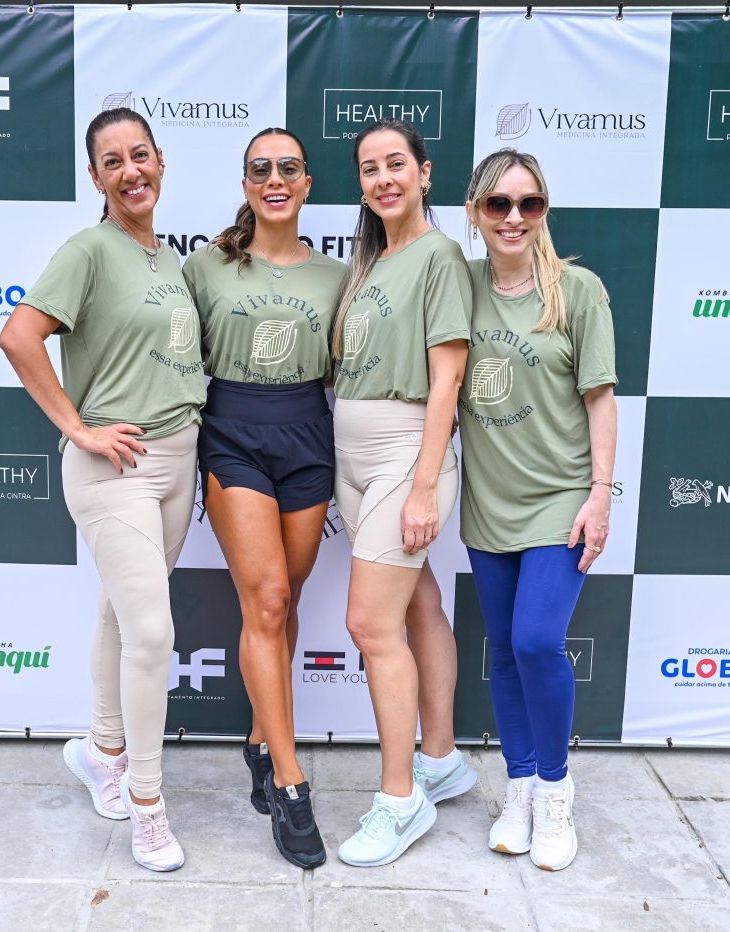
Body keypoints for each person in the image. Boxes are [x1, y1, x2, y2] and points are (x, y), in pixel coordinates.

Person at [0, 107, 205, 873]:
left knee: (122, 615)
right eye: (112, 161)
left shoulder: (169, 261)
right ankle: (147, 806)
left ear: (160, 162)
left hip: (178, 460)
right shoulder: (88, 249)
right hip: (114, 465)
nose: (131, 171)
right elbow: (19, 336)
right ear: (95, 178)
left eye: (140, 155)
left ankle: (103, 751)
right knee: (153, 633)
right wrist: (80, 429)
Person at [182, 128, 345, 870]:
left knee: (289, 598)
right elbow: (159, 343)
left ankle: (257, 738)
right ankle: (289, 780)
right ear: (246, 184)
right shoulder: (206, 266)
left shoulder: (339, 275)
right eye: (260, 169)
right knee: (269, 599)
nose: (274, 179)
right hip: (235, 435)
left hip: (310, 433)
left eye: (288, 169)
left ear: (307, 184)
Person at [459, 148, 618, 872]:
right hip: (487, 502)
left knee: (534, 643)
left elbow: (601, 400)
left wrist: (600, 498)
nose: (513, 217)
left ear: (544, 210)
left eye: (528, 203)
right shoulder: (457, 286)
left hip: (559, 499)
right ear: (475, 212)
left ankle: (556, 791)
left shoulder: (576, 290)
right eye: (499, 204)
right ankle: (518, 787)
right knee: (502, 649)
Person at [330, 119, 477, 868]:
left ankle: (399, 799)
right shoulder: (371, 260)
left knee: (369, 623)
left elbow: (447, 375)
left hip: (403, 454)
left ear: (424, 173)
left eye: (396, 164)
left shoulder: (440, 256)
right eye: (368, 168)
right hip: (353, 456)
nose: (383, 178)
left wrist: (424, 485)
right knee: (417, 605)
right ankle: (443, 761)